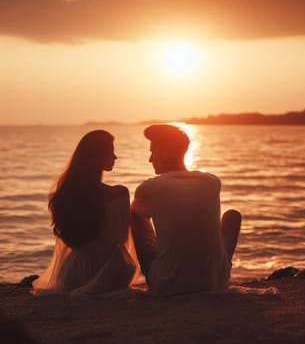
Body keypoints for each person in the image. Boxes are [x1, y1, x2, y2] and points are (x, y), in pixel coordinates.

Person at [130, 124, 241, 295]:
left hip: (168, 284)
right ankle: (212, 271)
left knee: (134, 215)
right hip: (215, 282)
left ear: (165, 152)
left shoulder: (150, 188)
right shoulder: (212, 181)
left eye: (153, 152)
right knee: (232, 216)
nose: (150, 159)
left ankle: (166, 268)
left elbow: (136, 218)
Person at [32, 130, 136, 295]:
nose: (115, 157)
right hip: (110, 266)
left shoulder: (64, 194)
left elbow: (68, 239)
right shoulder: (119, 193)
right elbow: (120, 236)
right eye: (111, 152)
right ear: (97, 157)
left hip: (73, 270)